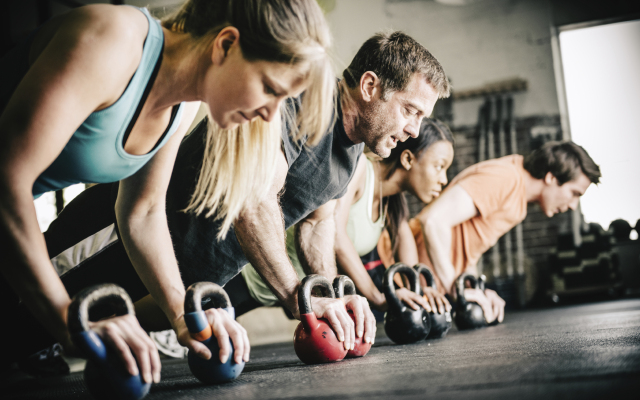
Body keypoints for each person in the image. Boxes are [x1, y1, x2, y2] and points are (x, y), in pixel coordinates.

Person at [41, 31, 450, 355]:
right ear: (369, 85)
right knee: (26, 312)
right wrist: (298, 298)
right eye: (410, 110)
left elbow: (317, 224)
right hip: (119, 234)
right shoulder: (298, 102)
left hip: (185, 276)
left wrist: (326, 295)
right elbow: (253, 203)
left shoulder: (352, 150)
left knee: (61, 335)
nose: (414, 130)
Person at [1, 0, 336, 379]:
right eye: (269, 89)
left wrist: (183, 314)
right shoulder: (113, 39)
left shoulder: (182, 106)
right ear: (225, 45)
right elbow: (8, 180)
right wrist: (68, 319)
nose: (271, 115)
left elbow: (141, 213)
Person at [239, 118, 455, 318]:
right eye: (439, 167)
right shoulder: (360, 168)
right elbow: (337, 237)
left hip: (292, 293)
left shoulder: (392, 203)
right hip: (251, 277)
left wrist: (421, 289)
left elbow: (404, 243)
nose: (443, 180)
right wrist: (378, 297)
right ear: (408, 159)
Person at [409, 141, 601, 323]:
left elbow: (467, 250)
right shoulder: (506, 178)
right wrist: (456, 289)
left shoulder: (518, 201)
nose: (574, 205)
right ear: (551, 177)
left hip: (422, 291)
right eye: (575, 193)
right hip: (393, 274)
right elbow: (433, 221)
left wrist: (477, 290)